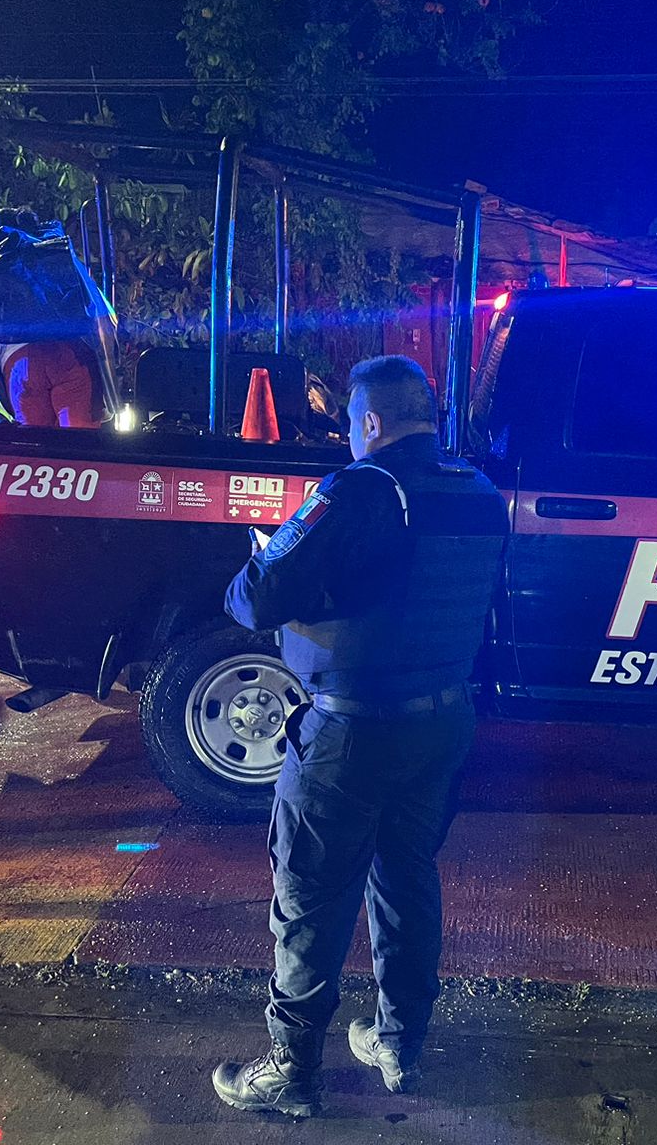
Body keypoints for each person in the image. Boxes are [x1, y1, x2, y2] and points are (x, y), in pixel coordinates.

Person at [214, 355, 508, 1117]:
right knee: (407, 878)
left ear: (370, 421)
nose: (348, 437)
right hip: (443, 722)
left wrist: (267, 555)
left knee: (309, 897)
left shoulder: (356, 490)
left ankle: (292, 1072)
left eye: (350, 424)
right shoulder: (478, 492)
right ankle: (399, 1043)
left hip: (350, 732)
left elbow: (255, 599)